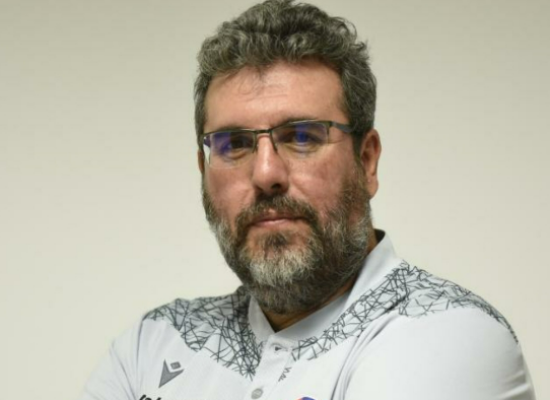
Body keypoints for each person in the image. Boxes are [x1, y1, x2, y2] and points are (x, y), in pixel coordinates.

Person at [79, 1, 536, 399]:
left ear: (367, 160)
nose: (265, 174)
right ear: (203, 171)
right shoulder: (154, 343)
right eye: (234, 144)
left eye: (301, 137)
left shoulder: (447, 332)